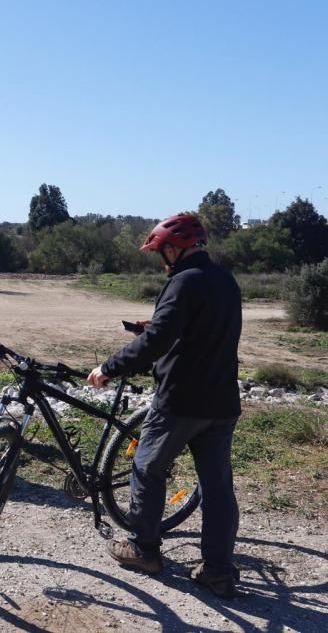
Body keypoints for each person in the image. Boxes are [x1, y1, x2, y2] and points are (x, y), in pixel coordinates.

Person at [87, 213, 243, 598]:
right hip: (222, 401)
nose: (161, 259)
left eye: (162, 251)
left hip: (181, 401)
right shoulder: (225, 280)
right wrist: (157, 324)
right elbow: (198, 329)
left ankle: (144, 550)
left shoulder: (182, 282)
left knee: (147, 468)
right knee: (217, 487)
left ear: (175, 248)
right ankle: (219, 570)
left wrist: (109, 367)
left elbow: (157, 342)